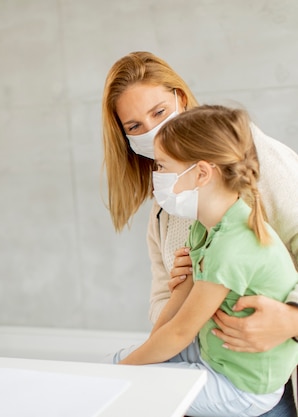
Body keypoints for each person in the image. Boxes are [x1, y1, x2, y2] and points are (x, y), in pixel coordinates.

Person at [102, 51, 298, 416]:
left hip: (257, 376)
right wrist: (182, 291)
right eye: (134, 127)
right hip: (213, 352)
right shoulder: (168, 203)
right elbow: (165, 296)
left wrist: (291, 319)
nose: (151, 130)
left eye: (158, 112)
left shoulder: (244, 157)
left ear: (180, 97)